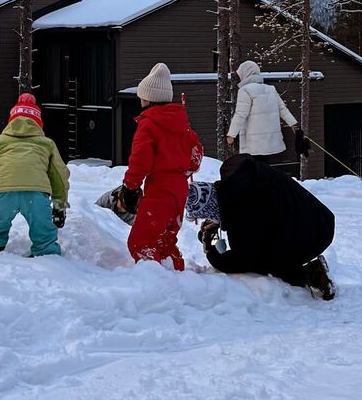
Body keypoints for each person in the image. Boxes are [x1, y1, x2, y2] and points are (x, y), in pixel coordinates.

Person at [198, 154, 336, 300]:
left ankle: (311, 274)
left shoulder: (242, 215)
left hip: (310, 234)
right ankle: (310, 272)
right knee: (268, 246)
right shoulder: (241, 181)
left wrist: (210, 249)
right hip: (320, 220)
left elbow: (241, 260)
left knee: (266, 262)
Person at [118, 63, 202, 271]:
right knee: (165, 238)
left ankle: (155, 281)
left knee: (140, 242)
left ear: (147, 98)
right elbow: (196, 156)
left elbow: (140, 160)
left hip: (160, 190)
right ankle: (176, 271)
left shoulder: (149, 124)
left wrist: (130, 186)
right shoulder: (183, 124)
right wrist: (183, 170)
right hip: (179, 189)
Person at [0, 93, 70, 257]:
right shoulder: (46, 144)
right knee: (43, 228)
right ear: (38, 123)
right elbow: (59, 175)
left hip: (4, 193)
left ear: (11, 121)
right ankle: (47, 255)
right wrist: (59, 205)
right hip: (35, 194)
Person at [226, 60, 310, 163]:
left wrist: (231, 134)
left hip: (254, 143)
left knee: (255, 169)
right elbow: (283, 109)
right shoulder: (270, 89)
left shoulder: (245, 90)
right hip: (269, 141)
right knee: (264, 167)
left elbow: (240, 114)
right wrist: (293, 124)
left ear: (245, 74)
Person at [95, 181, 216, 228]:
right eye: (122, 206)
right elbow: (90, 215)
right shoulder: (107, 200)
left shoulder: (138, 214)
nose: (121, 209)